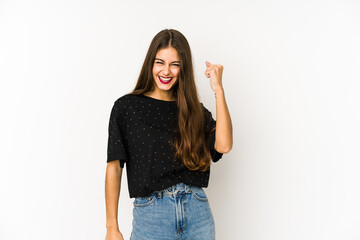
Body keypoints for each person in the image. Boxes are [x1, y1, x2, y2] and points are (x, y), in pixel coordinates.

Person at [105, 29, 233, 240]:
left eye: (175, 64)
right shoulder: (127, 108)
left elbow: (224, 146)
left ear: (184, 68)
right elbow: (114, 167)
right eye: (160, 62)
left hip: (197, 212)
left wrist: (218, 91)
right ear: (150, 64)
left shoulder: (194, 111)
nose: (166, 71)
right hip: (152, 215)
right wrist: (112, 227)